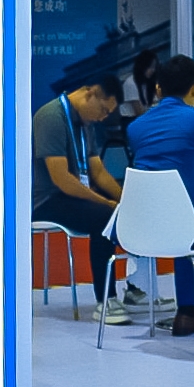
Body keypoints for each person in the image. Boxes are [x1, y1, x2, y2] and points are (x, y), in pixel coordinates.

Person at [121, 53, 194, 336]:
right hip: (190, 224)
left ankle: (187, 310)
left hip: (145, 224)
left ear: (157, 89)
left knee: (179, 217)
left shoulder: (136, 128)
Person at [31, 73, 131, 316]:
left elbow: (98, 172)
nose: (103, 117)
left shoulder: (85, 124)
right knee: (105, 217)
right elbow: (62, 179)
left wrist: (125, 200)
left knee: (126, 212)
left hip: (70, 197)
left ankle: (137, 287)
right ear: (91, 93)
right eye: (104, 110)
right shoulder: (51, 117)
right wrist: (107, 203)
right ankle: (106, 300)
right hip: (46, 201)